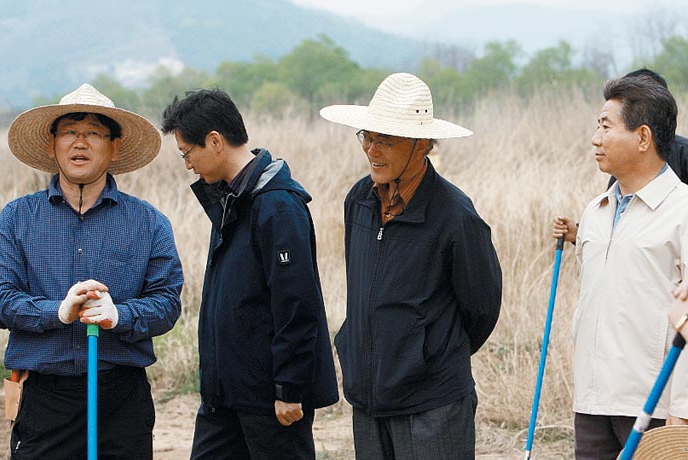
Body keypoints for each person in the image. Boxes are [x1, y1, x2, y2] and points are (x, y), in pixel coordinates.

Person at [0, 83, 184, 459]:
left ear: (115, 147)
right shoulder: (17, 218)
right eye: (70, 132)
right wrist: (56, 311)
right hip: (45, 399)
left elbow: (166, 303)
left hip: (121, 399)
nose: (81, 143)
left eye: (94, 133)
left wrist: (121, 315)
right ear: (51, 145)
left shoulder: (148, 223)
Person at [319, 73, 502, 460]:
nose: (372, 150)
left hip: (432, 405)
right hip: (368, 399)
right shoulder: (358, 201)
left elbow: (482, 309)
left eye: (386, 140)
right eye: (367, 137)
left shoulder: (455, 216)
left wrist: (426, 355)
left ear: (421, 146)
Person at [161, 89, 338, 460]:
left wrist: (289, 387)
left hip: (270, 400)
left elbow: (296, 304)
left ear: (214, 141)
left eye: (187, 153)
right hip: (224, 396)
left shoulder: (277, 205)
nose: (188, 165)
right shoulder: (229, 199)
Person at [561, 75, 688, 460]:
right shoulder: (595, 211)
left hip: (654, 405)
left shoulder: (682, 210)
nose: (595, 139)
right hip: (592, 401)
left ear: (643, 137)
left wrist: (682, 412)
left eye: (605, 126)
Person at [553, 68, 688, 242]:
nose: (595, 140)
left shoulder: (681, 203)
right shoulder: (604, 200)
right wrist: (579, 234)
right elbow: (616, 240)